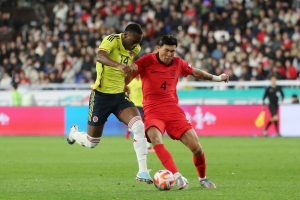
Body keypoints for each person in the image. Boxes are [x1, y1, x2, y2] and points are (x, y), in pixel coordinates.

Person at [126, 35, 229, 190]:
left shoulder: (178, 63)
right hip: (153, 111)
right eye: (166, 50)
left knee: (197, 148)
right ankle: (177, 176)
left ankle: (203, 178)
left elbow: (197, 73)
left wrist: (218, 78)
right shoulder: (146, 61)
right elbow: (128, 74)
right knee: (155, 139)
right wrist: (123, 86)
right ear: (158, 48)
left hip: (174, 111)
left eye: (172, 51)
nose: (169, 54)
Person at [65, 23, 153, 184]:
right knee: (92, 142)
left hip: (119, 96)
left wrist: (127, 78)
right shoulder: (111, 40)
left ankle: (143, 171)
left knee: (139, 126)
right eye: (134, 41)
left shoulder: (136, 49)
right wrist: (119, 65)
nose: (136, 45)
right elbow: (100, 56)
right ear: (125, 35)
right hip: (101, 96)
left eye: (138, 42)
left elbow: (125, 72)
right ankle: (73, 133)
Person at [125, 75, 155, 152]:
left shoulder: (143, 81)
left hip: (144, 105)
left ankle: (129, 129)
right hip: (135, 105)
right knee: (142, 125)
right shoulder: (131, 82)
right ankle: (147, 147)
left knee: (142, 125)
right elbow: (126, 93)